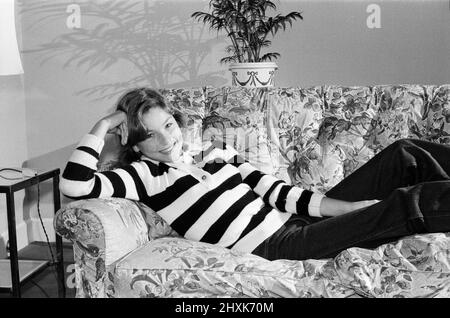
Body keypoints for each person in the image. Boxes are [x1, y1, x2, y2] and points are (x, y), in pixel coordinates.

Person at [60, 87, 450, 261]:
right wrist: (104, 122)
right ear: (134, 142)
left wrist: (343, 208)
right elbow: (75, 185)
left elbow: (276, 190)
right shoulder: (143, 176)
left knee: (404, 154)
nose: (165, 140)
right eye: (149, 135)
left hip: (296, 224)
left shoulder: (214, 153)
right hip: (277, 248)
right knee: (405, 204)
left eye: (169, 125)